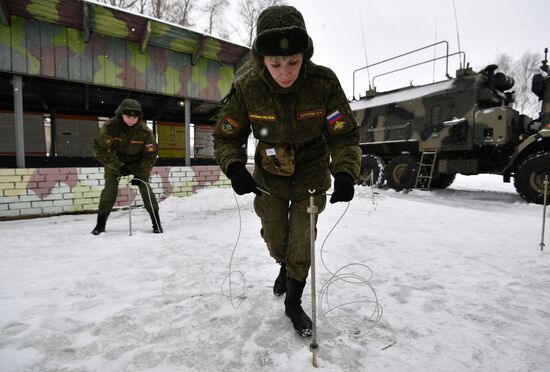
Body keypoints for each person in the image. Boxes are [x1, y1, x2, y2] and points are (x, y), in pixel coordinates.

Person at [213, 5, 361, 337]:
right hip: (269, 177)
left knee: (302, 243)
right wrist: (234, 167)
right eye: (276, 64)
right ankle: (283, 265)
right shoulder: (247, 87)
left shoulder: (323, 84)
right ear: (261, 60)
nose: (285, 72)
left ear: (304, 56)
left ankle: (293, 303)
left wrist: (346, 172)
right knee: (277, 241)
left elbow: (345, 134)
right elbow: (227, 136)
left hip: (311, 173)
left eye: (293, 62)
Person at [92, 98, 163, 235]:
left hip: (138, 164)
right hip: (115, 162)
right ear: (120, 114)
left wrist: (141, 174)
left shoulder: (145, 132)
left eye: (134, 117)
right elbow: (99, 150)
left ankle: (156, 223)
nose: (131, 119)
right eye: (127, 116)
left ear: (139, 117)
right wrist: (118, 166)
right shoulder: (109, 127)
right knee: (109, 192)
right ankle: (100, 225)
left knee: (146, 189)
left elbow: (151, 155)